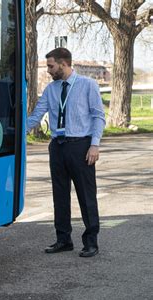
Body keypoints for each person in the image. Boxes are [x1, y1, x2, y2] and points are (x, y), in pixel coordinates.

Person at [27, 48, 105, 257]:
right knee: (59, 195)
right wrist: (14, 133)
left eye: (51, 66)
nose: (48, 71)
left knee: (86, 195)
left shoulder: (88, 85)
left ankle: (91, 242)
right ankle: (63, 239)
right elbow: (36, 116)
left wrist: (94, 145)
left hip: (81, 146)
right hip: (57, 147)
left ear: (63, 64)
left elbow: (98, 116)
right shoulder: (51, 89)